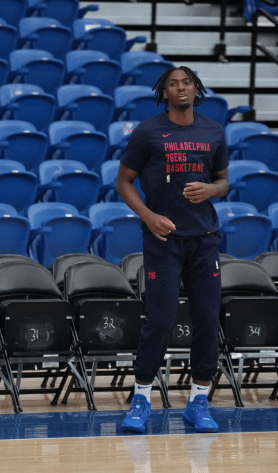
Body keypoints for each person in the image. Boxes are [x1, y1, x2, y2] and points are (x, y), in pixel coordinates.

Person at [115, 66, 229, 434]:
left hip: (205, 238)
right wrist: (149, 216)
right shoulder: (148, 132)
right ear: (163, 92)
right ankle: (142, 398)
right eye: (173, 84)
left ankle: (199, 400)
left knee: (207, 320)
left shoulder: (213, 131)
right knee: (160, 320)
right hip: (163, 239)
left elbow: (223, 182)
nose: (180, 88)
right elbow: (123, 182)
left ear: (197, 89)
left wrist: (211, 190)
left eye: (186, 83)